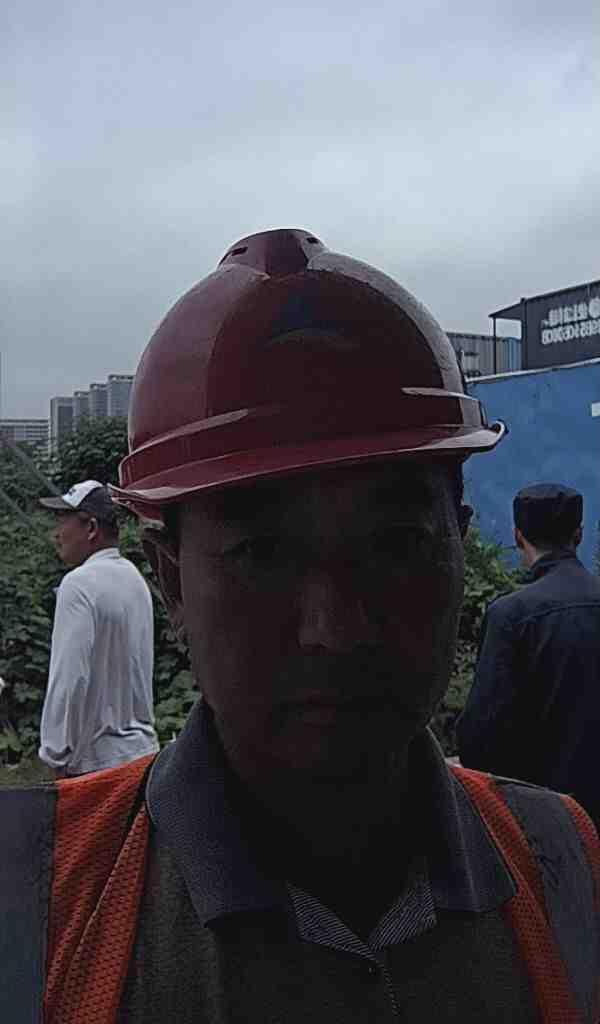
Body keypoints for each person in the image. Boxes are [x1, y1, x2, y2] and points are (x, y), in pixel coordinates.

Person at [2, 231, 599, 1024]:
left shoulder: (561, 863)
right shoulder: (33, 896)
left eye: (396, 545)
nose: (335, 629)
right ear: (171, 579)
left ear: (459, 545)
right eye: (261, 554)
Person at [457, 483, 600, 826]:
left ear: (518, 536)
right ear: (578, 534)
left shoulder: (511, 615)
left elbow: (479, 740)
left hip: (552, 821)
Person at [38, 479, 159, 776]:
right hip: (143, 756)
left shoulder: (78, 585)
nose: (56, 533)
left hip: (96, 767)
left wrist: (54, 755)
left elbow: (70, 679)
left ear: (91, 528)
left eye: (62, 521)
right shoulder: (134, 578)